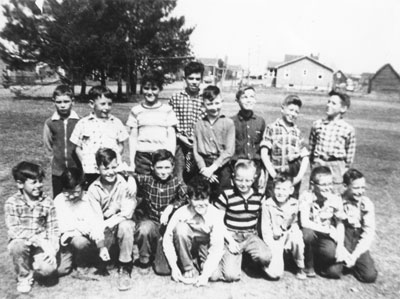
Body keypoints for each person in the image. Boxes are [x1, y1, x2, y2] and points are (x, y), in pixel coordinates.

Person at [5, 162, 60, 293]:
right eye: (34, 182)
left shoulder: (47, 202)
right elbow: (14, 229)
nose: (39, 185)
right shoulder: (12, 203)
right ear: (20, 184)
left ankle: (32, 261)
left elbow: (53, 229)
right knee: (16, 246)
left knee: (48, 269)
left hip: (41, 245)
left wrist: (52, 249)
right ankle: (24, 277)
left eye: (40, 181)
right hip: (23, 241)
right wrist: (37, 240)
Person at [86, 148, 137, 291]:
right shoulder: (93, 189)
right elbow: (95, 221)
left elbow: (127, 212)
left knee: (126, 226)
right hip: (103, 231)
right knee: (104, 265)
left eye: (114, 167)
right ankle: (105, 254)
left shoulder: (125, 184)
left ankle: (125, 266)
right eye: (106, 168)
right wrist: (101, 245)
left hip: (119, 224)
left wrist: (107, 222)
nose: (111, 172)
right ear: (97, 168)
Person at [213, 160, 271, 282]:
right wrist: (230, 240)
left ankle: (248, 260)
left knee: (265, 257)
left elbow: (264, 219)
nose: (243, 184)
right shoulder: (227, 195)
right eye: (239, 180)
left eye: (248, 180)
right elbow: (217, 221)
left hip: (250, 236)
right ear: (233, 178)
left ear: (254, 178)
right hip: (231, 236)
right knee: (230, 276)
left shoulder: (259, 196)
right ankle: (223, 259)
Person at [133, 149, 188, 274]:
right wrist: (131, 180)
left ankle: (166, 254)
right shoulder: (147, 180)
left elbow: (186, 199)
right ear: (152, 167)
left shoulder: (177, 183)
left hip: (168, 227)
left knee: (163, 270)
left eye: (167, 167)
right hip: (153, 224)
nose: (163, 172)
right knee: (144, 228)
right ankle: (144, 260)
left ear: (173, 167)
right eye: (160, 167)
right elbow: (131, 176)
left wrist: (172, 207)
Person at [163, 178, 225, 287]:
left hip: (205, 246)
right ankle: (187, 266)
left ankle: (199, 262)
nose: (201, 204)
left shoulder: (215, 214)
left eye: (204, 199)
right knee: (180, 228)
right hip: (187, 245)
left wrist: (205, 274)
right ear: (189, 199)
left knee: (214, 275)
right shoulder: (181, 212)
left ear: (209, 198)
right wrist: (174, 267)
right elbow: (167, 239)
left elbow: (217, 247)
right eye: (196, 199)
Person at [321, 169, 378, 282]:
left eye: (363, 188)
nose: (360, 192)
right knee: (333, 272)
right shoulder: (335, 201)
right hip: (340, 237)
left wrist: (355, 255)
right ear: (345, 186)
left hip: (357, 240)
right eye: (356, 188)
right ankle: (340, 263)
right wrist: (341, 248)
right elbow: (328, 225)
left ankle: (355, 263)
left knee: (369, 276)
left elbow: (368, 233)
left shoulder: (366, 204)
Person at [54, 167, 110, 278]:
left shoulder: (90, 199)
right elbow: (60, 227)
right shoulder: (59, 200)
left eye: (75, 192)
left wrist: (101, 245)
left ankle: (83, 264)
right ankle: (72, 256)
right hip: (65, 241)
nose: (71, 196)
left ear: (82, 186)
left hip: (85, 239)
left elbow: (96, 225)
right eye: (67, 192)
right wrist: (79, 229)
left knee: (80, 242)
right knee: (61, 270)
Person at [70, 85, 129, 189]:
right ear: (92, 104)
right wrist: (84, 162)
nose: (106, 108)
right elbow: (77, 147)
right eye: (102, 104)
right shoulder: (83, 123)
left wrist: (114, 160)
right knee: (92, 194)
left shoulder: (116, 123)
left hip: (110, 170)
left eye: (109, 104)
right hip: (91, 170)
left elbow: (121, 145)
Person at [127, 70, 178, 174]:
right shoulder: (136, 111)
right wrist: (132, 162)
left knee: (161, 187)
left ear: (160, 89)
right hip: (142, 157)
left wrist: (170, 159)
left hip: (162, 157)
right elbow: (133, 138)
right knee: (143, 187)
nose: (150, 92)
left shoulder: (167, 110)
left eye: (154, 89)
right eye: (146, 88)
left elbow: (171, 137)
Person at [299, 166, 346, 278]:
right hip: (310, 235)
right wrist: (328, 230)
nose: (328, 188)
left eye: (330, 184)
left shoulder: (335, 199)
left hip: (324, 238)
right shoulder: (306, 196)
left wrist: (340, 245)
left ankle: (319, 263)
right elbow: (304, 222)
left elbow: (340, 223)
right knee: (308, 234)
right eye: (323, 185)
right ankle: (308, 265)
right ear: (313, 185)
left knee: (334, 268)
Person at [261, 94, 309, 199]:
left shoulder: (297, 132)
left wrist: (299, 177)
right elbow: (264, 154)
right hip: (275, 176)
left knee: (291, 206)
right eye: (291, 110)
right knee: (272, 203)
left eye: (296, 112)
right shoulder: (272, 128)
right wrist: (273, 174)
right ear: (282, 109)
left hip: (292, 178)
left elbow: (305, 156)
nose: (293, 114)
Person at [193, 85, 235, 202]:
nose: (214, 107)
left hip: (221, 166)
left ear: (222, 102)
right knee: (202, 197)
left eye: (217, 103)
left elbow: (229, 151)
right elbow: (196, 151)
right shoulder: (199, 124)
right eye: (210, 104)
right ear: (203, 105)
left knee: (223, 198)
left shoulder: (228, 123)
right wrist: (204, 169)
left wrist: (213, 168)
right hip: (204, 166)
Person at [309, 90, 356, 193]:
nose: (328, 105)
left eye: (333, 103)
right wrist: (314, 163)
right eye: (328, 101)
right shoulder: (317, 125)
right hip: (319, 163)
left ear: (343, 108)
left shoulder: (348, 129)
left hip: (336, 167)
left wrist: (343, 170)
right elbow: (311, 147)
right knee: (315, 193)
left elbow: (349, 156)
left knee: (334, 196)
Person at [261, 174, 306, 280]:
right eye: (278, 188)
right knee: (275, 274)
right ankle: (267, 263)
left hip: (289, 234)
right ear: (273, 189)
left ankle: (300, 266)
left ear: (291, 190)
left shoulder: (295, 204)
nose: (280, 192)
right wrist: (272, 245)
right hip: (274, 238)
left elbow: (295, 224)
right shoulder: (267, 205)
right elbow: (266, 230)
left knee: (297, 239)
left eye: (284, 189)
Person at [169, 61, 206, 182]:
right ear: (185, 79)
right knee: (178, 174)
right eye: (191, 78)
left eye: (197, 79)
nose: (194, 82)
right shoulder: (176, 97)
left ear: (201, 79)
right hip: (180, 142)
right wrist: (180, 137)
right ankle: (180, 199)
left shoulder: (205, 98)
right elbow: (170, 123)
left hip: (199, 143)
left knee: (198, 175)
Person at [43, 84, 80, 197]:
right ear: (54, 102)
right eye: (59, 102)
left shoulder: (79, 122)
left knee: (76, 196)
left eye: (66, 101)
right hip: (58, 171)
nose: (62, 105)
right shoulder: (50, 123)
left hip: (76, 169)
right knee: (59, 198)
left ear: (72, 102)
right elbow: (47, 145)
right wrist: (53, 162)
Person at [231, 86, 266, 193]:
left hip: (255, 169)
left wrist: (263, 172)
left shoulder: (260, 122)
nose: (249, 100)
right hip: (238, 170)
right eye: (245, 97)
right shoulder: (231, 122)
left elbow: (263, 149)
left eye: (252, 97)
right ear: (237, 100)